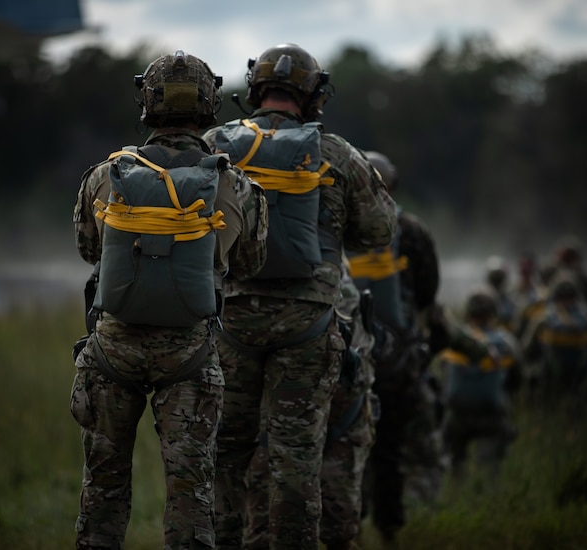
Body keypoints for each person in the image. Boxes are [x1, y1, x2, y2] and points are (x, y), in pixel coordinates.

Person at [70, 50, 268, 549]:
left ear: (147, 104)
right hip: (189, 354)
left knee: (103, 487)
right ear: (209, 104)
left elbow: (88, 249)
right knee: (191, 491)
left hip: (112, 348)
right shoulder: (234, 182)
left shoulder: (106, 174)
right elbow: (249, 266)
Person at [203, 43, 397, 549]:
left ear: (255, 89)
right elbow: (379, 230)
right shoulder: (335, 153)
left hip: (232, 323)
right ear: (313, 95)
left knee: (225, 458)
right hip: (307, 326)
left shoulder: (215, 147)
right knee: (295, 461)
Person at [242, 259, 378, 550]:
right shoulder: (346, 296)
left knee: (263, 528)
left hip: (281, 427)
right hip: (339, 421)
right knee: (338, 529)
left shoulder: (266, 303)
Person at [347, 150, 442, 540]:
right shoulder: (413, 232)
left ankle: (347, 526)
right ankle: (389, 529)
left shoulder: (335, 226)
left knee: (343, 445)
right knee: (390, 448)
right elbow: (426, 293)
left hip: (347, 355)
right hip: (398, 360)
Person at [437, 287, 522, 485]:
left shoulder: (456, 340)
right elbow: (517, 378)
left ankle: (456, 496)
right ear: (494, 313)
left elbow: (443, 374)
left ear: (468, 312)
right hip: (491, 415)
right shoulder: (506, 342)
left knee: (454, 464)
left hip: (457, 414)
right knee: (489, 467)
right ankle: (489, 499)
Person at [521, 273, 587, 422]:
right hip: (579, 378)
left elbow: (527, 348)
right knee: (577, 418)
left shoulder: (544, 318)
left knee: (547, 414)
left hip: (549, 376)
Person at [540, 234, 587, 310]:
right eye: (566, 257)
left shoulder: (585, 276)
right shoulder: (551, 270)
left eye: (571, 256)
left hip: (577, 307)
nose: (568, 261)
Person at [484, 255, 516, 330]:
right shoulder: (483, 300)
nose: (496, 280)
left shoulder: (510, 301)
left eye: (498, 277)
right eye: (494, 278)